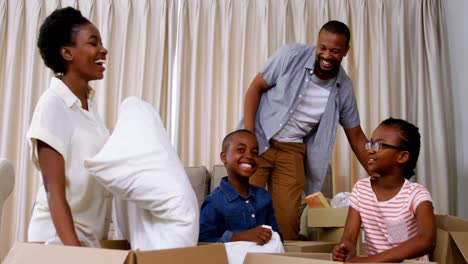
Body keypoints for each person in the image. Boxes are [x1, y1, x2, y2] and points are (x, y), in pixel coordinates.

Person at [242, 20, 368, 240]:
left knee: (288, 224)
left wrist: (380, 171)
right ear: (317, 44)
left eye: (335, 51)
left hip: (292, 150)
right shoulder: (290, 55)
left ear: (346, 51)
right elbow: (255, 88)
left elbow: (356, 136)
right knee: (244, 211)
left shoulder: (343, 88)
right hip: (260, 140)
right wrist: (249, 135)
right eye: (323, 48)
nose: (327, 55)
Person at [27, 7, 111, 247]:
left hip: (86, 240)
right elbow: (54, 191)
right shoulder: (52, 105)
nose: (103, 50)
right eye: (93, 43)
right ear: (67, 53)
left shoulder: (89, 108)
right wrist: (75, 254)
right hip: (58, 241)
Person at [332, 118, 435, 262]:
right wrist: (344, 248)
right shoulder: (360, 189)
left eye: (379, 145)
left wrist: (371, 261)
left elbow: (426, 240)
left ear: (402, 156)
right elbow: (349, 237)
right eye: (371, 143)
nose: (370, 150)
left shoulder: (416, 194)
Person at [198, 129, 282, 244]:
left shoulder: (264, 197)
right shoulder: (214, 201)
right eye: (241, 150)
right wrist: (237, 237)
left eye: (255, 152)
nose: (249, 156)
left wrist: (270, 237)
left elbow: (277, 237)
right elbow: (203, 243)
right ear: (224, 157)